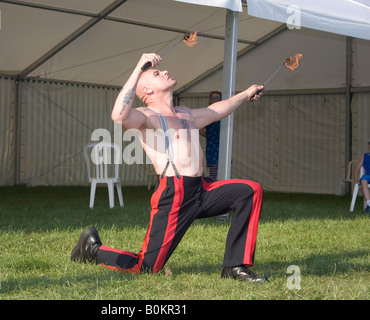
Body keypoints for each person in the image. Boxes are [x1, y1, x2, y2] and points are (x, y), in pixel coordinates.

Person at [71, 53, 267, 282]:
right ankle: (92, 249)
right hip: (174, 194)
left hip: (201, 189)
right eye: (157, 73)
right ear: (147, 89)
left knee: (249, 191)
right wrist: (139, 67)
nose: (164, 71)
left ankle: (235, 267)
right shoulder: (146, 117)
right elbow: (118, 115)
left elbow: (217, 111)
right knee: (145, 267)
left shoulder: (185, 113)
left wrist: (245, 94)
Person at [199, 91, 222, 181]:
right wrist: (209, 136)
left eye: (218, 98)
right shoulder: (207, 112)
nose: (215, 100)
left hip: (223, 145)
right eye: (213, 98)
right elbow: (200, 128)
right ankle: (205, 187)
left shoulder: (224, 111)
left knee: (223, 169)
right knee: (213, 173)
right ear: (210, 100)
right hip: (213, 146)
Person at [354, 139, 370, 214]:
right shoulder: (365, 156)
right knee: (363, 180)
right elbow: (356, 168)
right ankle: (369, 204)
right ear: (368, 145)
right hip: (368, 175)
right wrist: (355, 180)